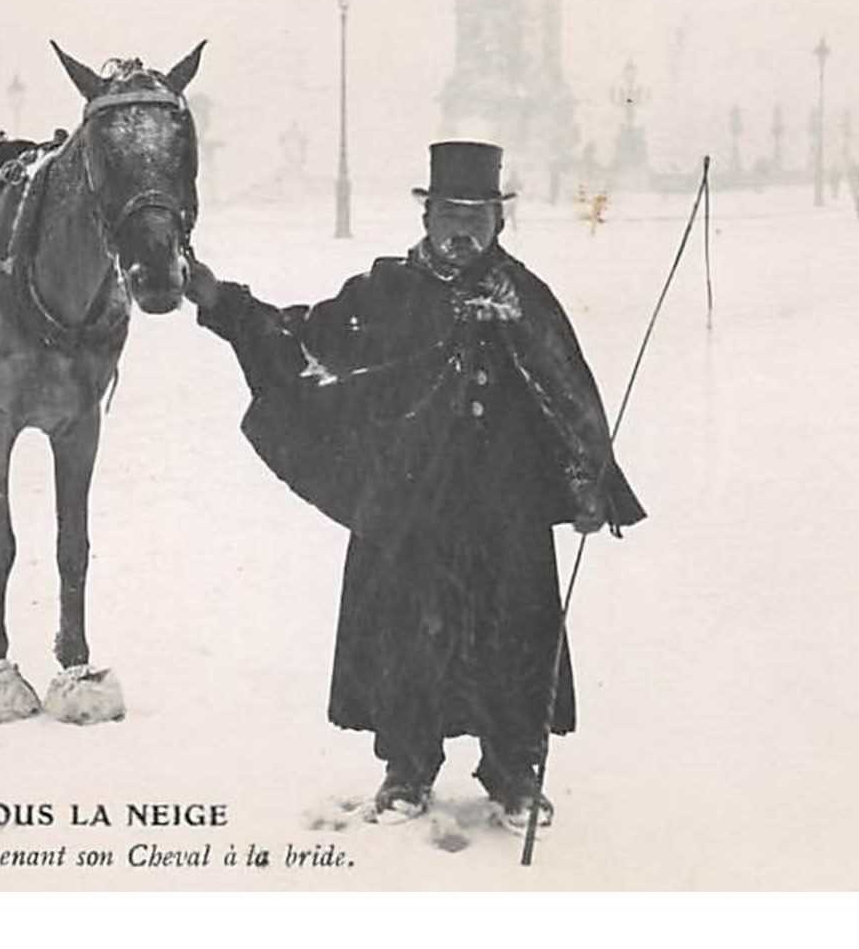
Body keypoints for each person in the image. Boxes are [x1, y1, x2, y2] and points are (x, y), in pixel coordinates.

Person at [186, 141, 645, 829]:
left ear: (499, 221)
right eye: (450, 216)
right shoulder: (387, 292)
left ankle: (515, 774)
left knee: (513, 637)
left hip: (505, 507)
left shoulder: (524, 297)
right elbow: (301, 342)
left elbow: (569, 392)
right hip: (409, 502)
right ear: (426, 216)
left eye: (479, 218)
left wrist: (588, 480)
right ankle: (406, 769)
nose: (464, 232)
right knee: (405, 636)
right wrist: (223, 303)